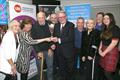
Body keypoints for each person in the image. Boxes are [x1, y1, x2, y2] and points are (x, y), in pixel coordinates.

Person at [31, 11, 54, 80]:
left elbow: (53, 36)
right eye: (39, 18)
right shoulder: (34, 26)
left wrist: (51, 48)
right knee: (39, 67)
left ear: (45, 17)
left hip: (48, 50)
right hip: (39, 50)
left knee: (50, 66)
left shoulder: (50, 24)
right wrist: (38, 51)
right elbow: (33, 40)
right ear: (37, 18)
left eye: (42, 17)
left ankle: (50, 78)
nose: (40, 19)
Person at [52, 11, 75, 80]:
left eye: (63, 17)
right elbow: (54, 36)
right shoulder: (56, 25)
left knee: (70, 69)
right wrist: (53, 44)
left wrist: (58, 40)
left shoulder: (71, 25)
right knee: (62, 68)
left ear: (66, 17)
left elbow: (70, 37)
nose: (61, 18)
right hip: (59, 51)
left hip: (68, 52)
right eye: (59, 17)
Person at [99, 13, 120, 80]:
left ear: (111, 19)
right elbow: (102, 40)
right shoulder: (104, 28)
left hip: (112, 52)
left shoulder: (115, 28)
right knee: (103, 71)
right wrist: (99, 49)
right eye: (104, 18)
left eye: (107, 18)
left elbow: (114, 43)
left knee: (107, 73)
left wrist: (104, 52)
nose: (105, 20)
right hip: (103, 50)